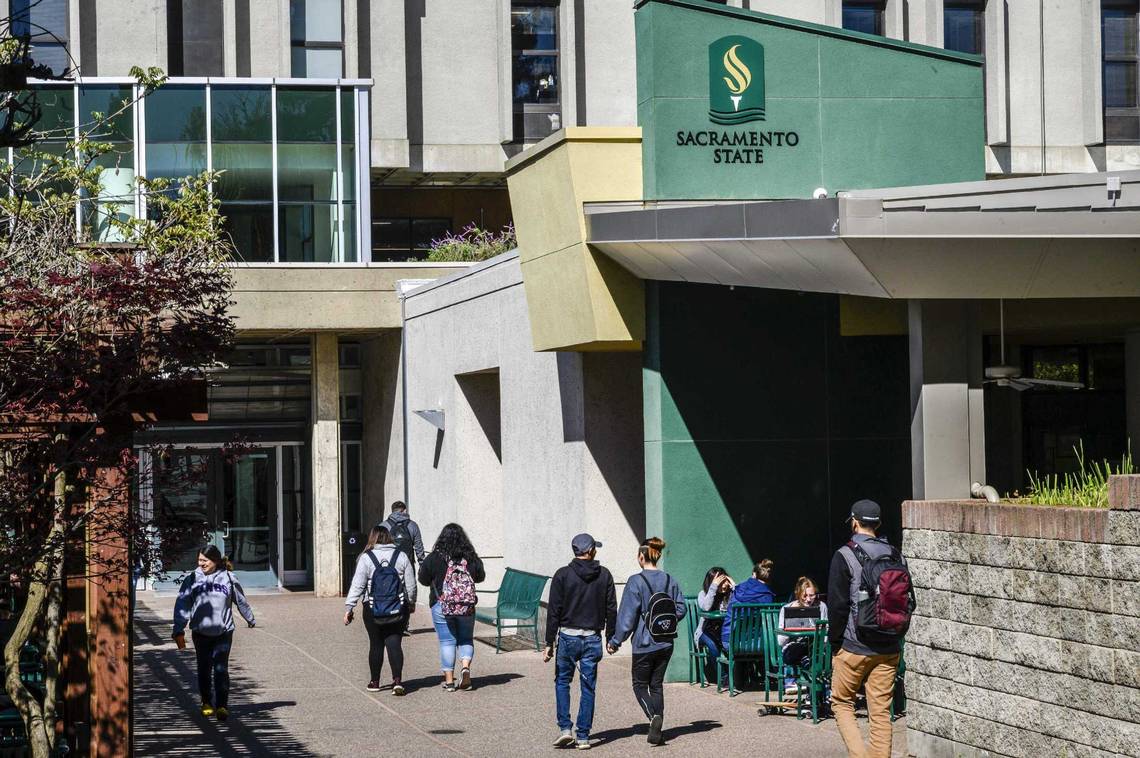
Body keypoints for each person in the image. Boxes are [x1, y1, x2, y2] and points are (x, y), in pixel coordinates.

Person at [827, 499, 907, 758]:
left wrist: (835, 644)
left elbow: (838, 607)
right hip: (889, 645)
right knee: (881, 712)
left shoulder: (845, 555)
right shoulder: (895, 554)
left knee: (841, 703)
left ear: (854, 522)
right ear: (879, 523)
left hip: (854, 645)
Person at [607, 537, 685, 747]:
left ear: (642, 556)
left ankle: (653, 718)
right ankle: (657, 731)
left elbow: (627, 618)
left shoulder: (636, 581)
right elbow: (681, 609)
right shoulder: (670, 580)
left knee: (639, 685)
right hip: (666, 643)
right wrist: (665, 623)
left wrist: (615, 641)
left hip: (644, 643)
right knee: (656, 685)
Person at [544, 533, 617, 750]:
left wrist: (549, 642)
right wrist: (611, 638)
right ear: (591, 550)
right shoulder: (604, 575)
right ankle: (583, 736)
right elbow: (611, 608)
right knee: (588, 687)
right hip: (592, 637)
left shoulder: (562, 575)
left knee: (562, 682)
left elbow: (554, 611)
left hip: (567, 637)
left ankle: (565, 729)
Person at [172, 545, 255, 721]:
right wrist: (178, 629)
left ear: (215, 561)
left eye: (205, 560)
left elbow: (240, 600)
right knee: (204, 669)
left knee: (220, 668)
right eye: (199, 560)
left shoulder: (229, 578)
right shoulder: (192, 579)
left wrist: (250, 618)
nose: (201, 563)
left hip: (223, 631)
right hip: (200, 633)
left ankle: (222, 706)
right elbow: (182, 605)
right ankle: (206, 702)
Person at [344, 523, 417, 695]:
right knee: (394, 643)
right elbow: (411, 584)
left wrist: (350, 607)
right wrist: (411, 602)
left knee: (376, 644)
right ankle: (397, 681)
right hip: (397, 607)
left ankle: (375, 681)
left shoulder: (366, 557)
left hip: (372, 608)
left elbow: (358, 585)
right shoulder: (401, 556)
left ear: (373, 538)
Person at [419, 523, 485, 692]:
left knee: (447, 642)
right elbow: (480, 577)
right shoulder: (470, 557)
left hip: (441, 605)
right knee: (466, 639)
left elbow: (423, 579)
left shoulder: (435, 557)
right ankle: (465, 668)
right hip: (466, 607)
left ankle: (449, 682)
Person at [777, 576, 829, 692]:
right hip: (794, 649)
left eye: (812, 595)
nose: (808, 599)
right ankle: (814, 688)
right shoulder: (787, 608)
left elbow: (826, 629)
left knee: (817, 657)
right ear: (798, 594)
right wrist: (789, 624)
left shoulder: (821, 607)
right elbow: (781, 641)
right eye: (805, 596)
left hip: (816, 648)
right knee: (806, 655)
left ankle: (810, 688)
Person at [720, 558, 776, 652]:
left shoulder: (738, 589)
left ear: (754, 575)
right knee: (777, 645)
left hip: (729, 640)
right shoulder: (768, 597)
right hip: (754, 641)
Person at [695, 567, 733, 686]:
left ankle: (737, 677)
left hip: (723, 632)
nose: (723, 585)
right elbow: (705, 608)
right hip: (704, 632)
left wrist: (735, 588)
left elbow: (738, 604)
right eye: (719, 582)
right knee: (712, 646)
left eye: (724, 581)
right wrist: (713, 588)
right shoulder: (703, 594)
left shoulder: (728, 595)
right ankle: (723, 678)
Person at [383, 500, 426, 569]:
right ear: (405, 511)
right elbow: (419, 547)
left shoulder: (384, 526)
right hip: (408, 564)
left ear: (392, 511)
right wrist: (422, 564)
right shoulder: (413, 525)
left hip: (389, 565)